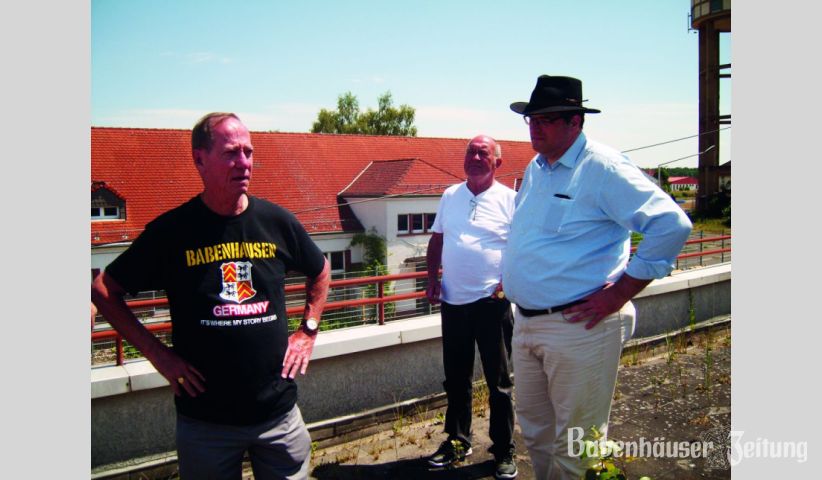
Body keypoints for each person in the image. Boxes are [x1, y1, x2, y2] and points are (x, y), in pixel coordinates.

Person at [91, 112, 330, 480]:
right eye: (231, 153)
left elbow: (321, 270)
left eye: (249, 152)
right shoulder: (172, 232)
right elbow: (104, 290)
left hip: (278, 417)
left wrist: (308, 329)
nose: (244, 163)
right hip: (206, 424)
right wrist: (158, 355)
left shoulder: (276, 222)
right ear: (199, 159)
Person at [502, 75, 693, 479]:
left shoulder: (603, 167)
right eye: (532, 118)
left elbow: (671, 225)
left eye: (547, 119)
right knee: (536, 433)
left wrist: (621, 292)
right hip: (527, 322)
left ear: (575, 122)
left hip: (580, 324)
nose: (536, 127)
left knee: (577, 445)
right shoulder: (537, 168)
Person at [425, 135, 518, 479]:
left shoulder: (510, 199)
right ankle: (457, 440)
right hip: (453, 301)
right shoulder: (451, 195)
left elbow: (522, 246)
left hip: (492, 304)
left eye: (483, 153)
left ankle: (504, 449)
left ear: (497, 162)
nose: (475, 158)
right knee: (456, 378)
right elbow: (437, 239)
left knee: (499, 383)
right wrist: (431, 279)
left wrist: (508, 281)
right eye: (471, 152)